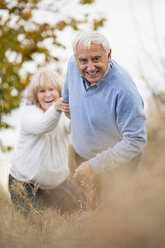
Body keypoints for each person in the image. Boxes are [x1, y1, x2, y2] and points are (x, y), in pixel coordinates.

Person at [62, 31, 147, 193]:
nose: (90, 67)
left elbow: (136, 140)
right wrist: (66, 105)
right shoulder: (73, 64)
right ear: (76, 58)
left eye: (96, 59)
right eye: (83, 60)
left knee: (111, 216)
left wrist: (94, 165)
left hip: (118, 164)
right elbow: (67, 94)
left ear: (108, 55)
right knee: (87, 211)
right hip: (82, 157)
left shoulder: (124, 91)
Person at [8, 69, 84, 216]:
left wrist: (77, 110)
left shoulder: (62, 114)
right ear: (36, 95)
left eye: (51, 89)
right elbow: (43, 125)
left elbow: (76, 127)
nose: (47, 94)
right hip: (24, 183)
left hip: (56, 183)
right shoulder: (30, 114)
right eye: (42, 91)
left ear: (59, 91)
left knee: (81, 215)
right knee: (38, 230)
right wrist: (56, 108)